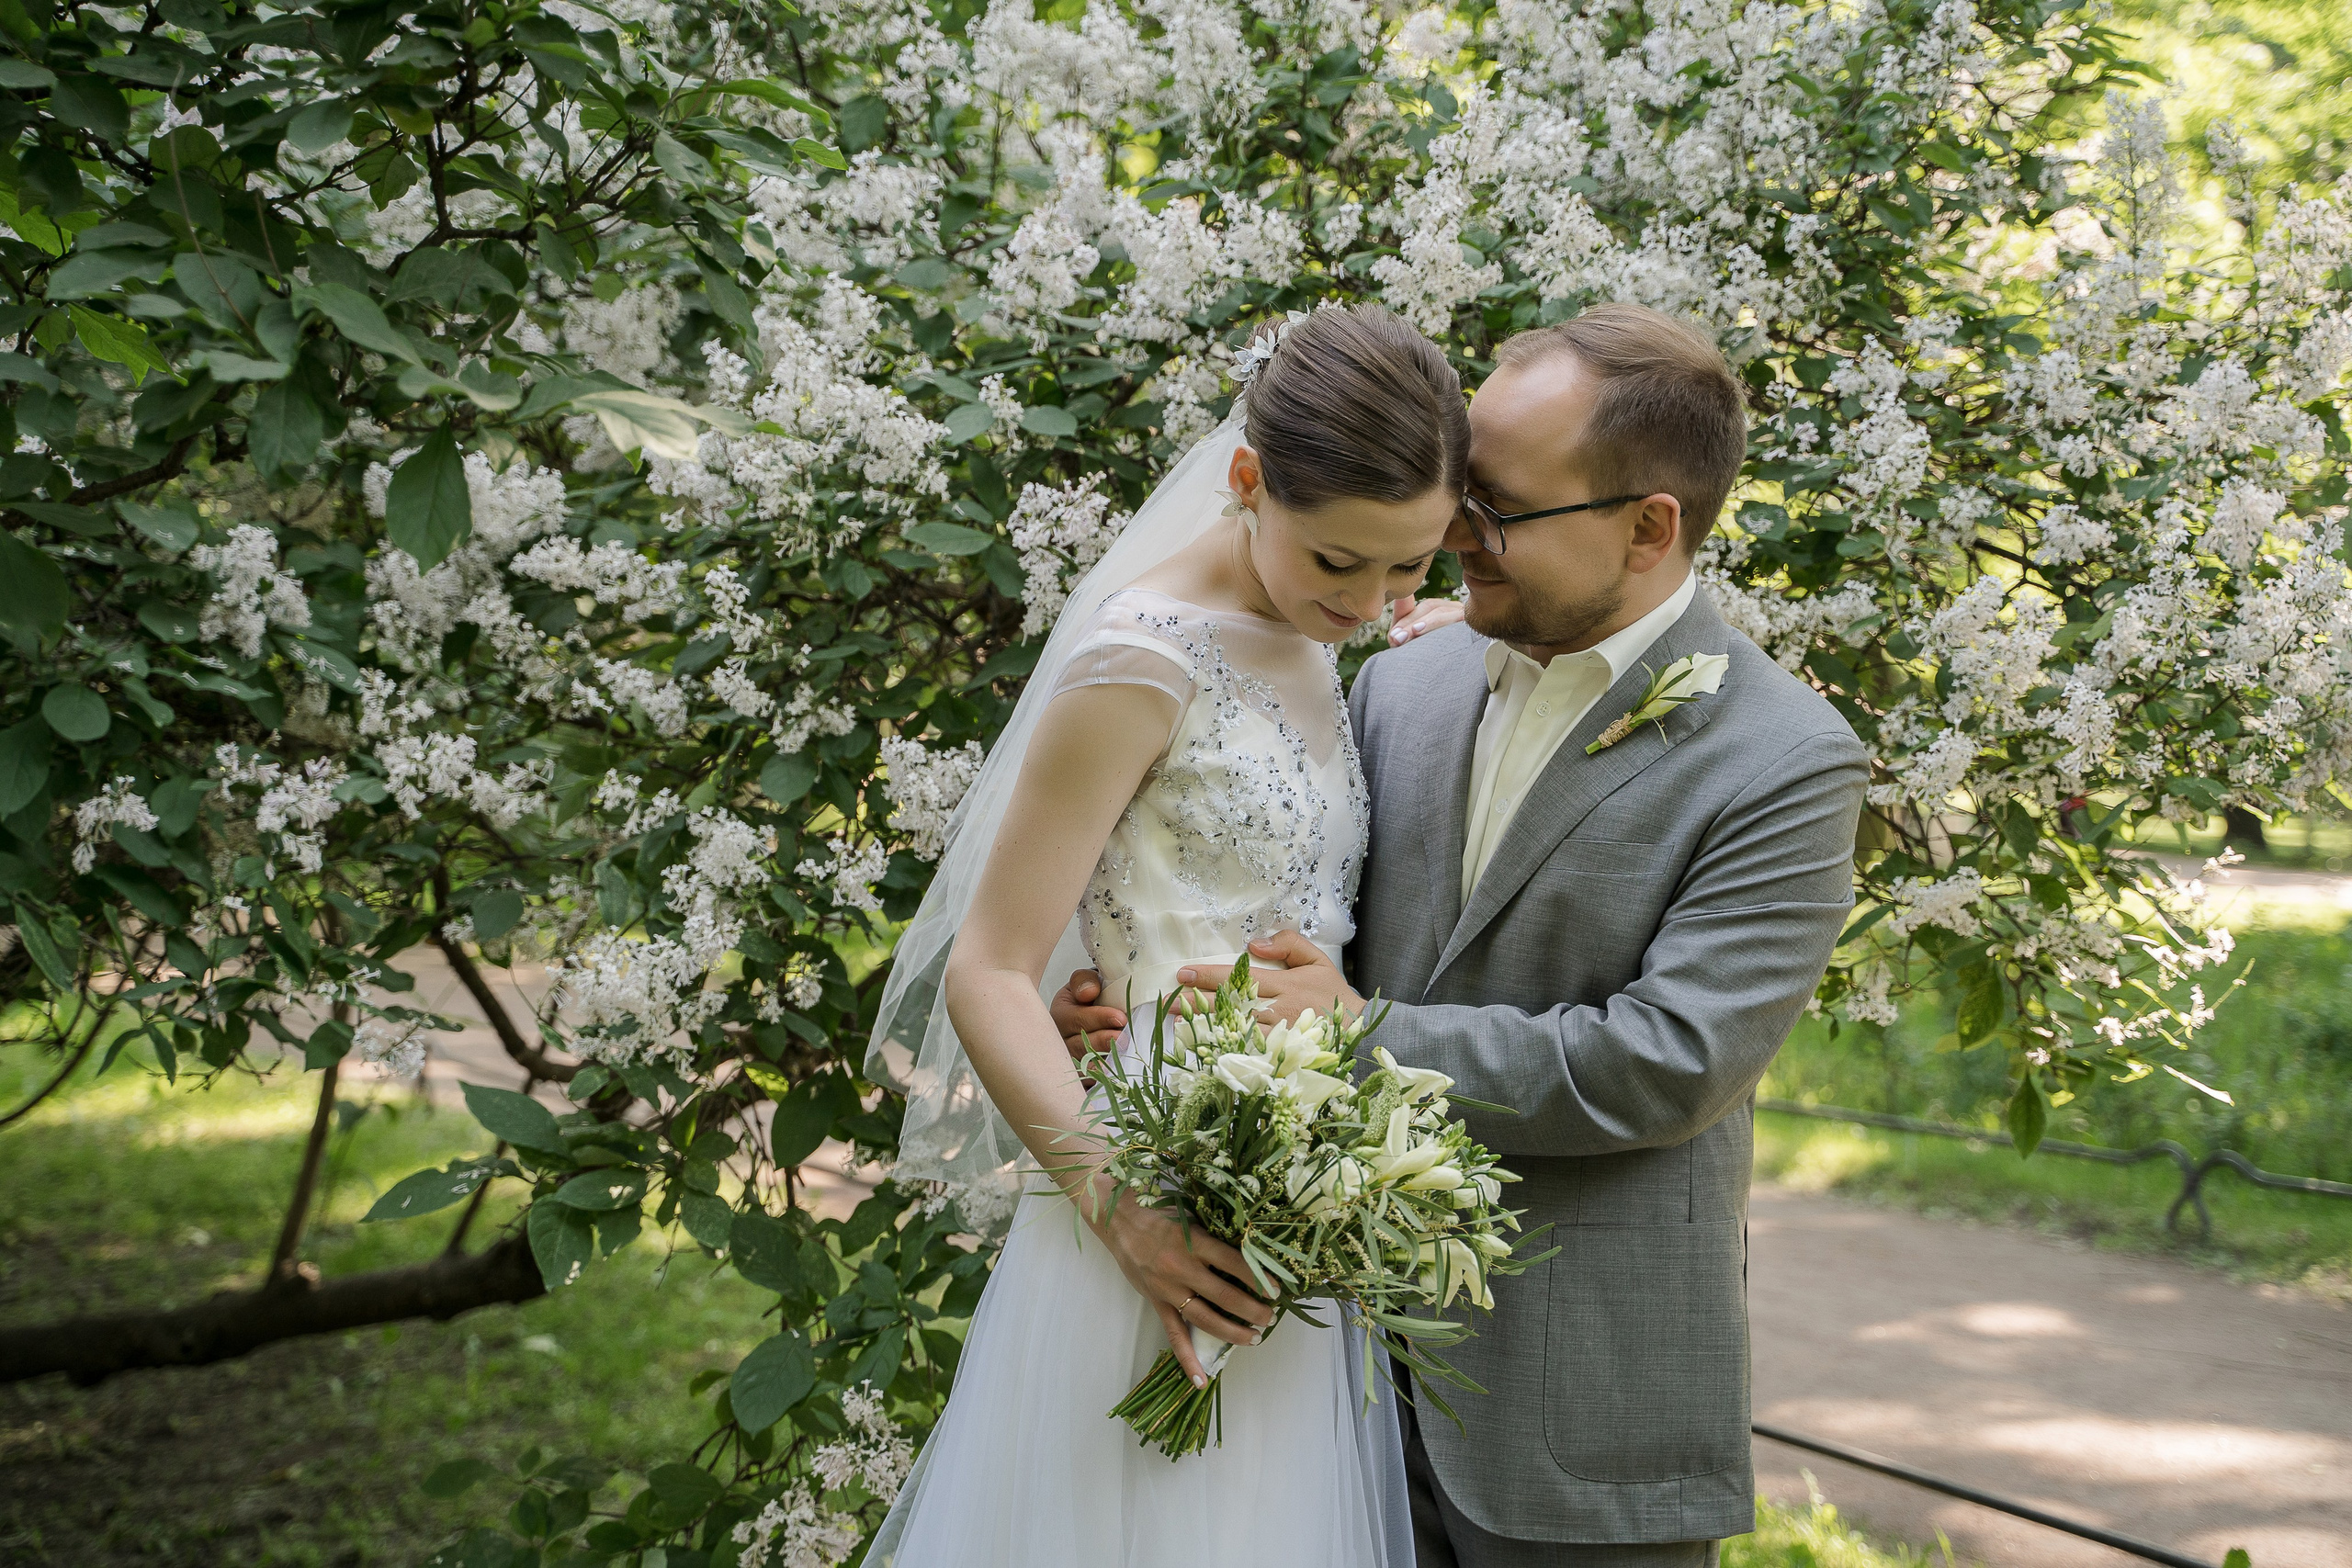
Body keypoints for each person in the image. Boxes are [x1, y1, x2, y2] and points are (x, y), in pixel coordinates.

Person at [1053, 303, 1869, 1566]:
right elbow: (1292, 922)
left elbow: (1669, 1061)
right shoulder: (1403, 677)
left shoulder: (1785, 759)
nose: (1447, 536)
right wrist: (1131, 1004)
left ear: (1650, 529)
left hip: (1576, 1419)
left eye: (1494, 508)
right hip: (1324, 1379)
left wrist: (1362, 1040)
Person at [864, 304, 1469, 1567]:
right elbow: (987, 968)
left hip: (1292, 1174)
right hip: (1153, 1182)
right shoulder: (1140, 660)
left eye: (1411, 565)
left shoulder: (1314, 634)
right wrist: (1126, 1211)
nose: (1369, 600)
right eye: (1341, 561)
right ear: (1248, 482)